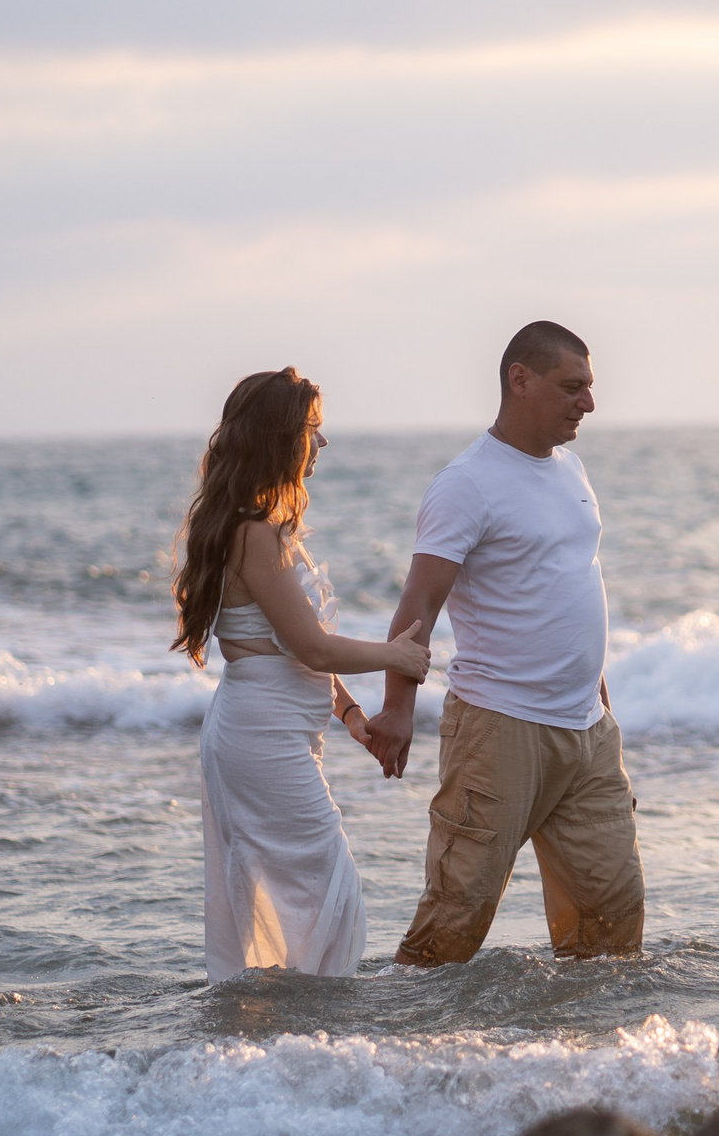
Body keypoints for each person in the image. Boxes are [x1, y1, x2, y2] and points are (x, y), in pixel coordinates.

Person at [363, 322, 645, 965]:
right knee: (452, 923)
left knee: (612, 925)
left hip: (587, 731)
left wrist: (596, 692)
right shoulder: (467, 483)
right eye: (573, 387)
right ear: (520, 379)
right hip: (499, 730)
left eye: (591, 388)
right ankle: (399, 1059)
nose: (589, 404)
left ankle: (586, 1060)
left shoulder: (572, 468)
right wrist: (398, 708)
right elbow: (418, 606)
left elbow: (570, 583)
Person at [173, 367, 431, 984]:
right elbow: (311, 647)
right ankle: (307, 1042)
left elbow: (293, 649)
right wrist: (396, 656)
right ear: (280, 437)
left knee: (307, 899)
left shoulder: (263, 527)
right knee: (329, 894)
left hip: (270, 733)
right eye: (312, 431)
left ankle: (281, 1036)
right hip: (259, 738)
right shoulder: (253, 532)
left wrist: (350, 716)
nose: (321, 444)